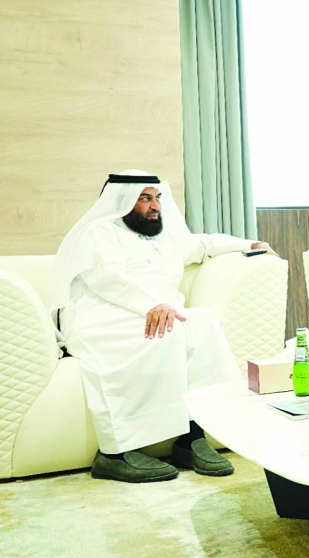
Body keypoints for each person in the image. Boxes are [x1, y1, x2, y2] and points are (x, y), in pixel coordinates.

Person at [48, 170, 279, 483]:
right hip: (101, 318)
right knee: (168, 332)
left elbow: (205, 244)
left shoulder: (165, 236)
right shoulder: (100, 231)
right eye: (145, 198)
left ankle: (191, 438)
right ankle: (114, 453)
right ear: (122, 200)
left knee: (203, 323)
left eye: (156, 197)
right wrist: (151, 306)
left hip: (160, 314)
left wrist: (250, 243)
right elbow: (107, 278)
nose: (155, 205)